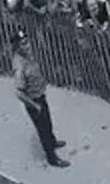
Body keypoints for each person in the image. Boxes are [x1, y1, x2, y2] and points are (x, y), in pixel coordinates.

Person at [11, 30, 69, 167]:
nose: (27, 45)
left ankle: (53, 141)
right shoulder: (19, 65)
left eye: (27, 41)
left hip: (40, 95)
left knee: (48, 122)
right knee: (42, 128)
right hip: (34, 101)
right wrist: (35, 106)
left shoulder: (27, 56)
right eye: (23, 44)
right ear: (17, 47)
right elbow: (19, 93)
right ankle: (52, 158)